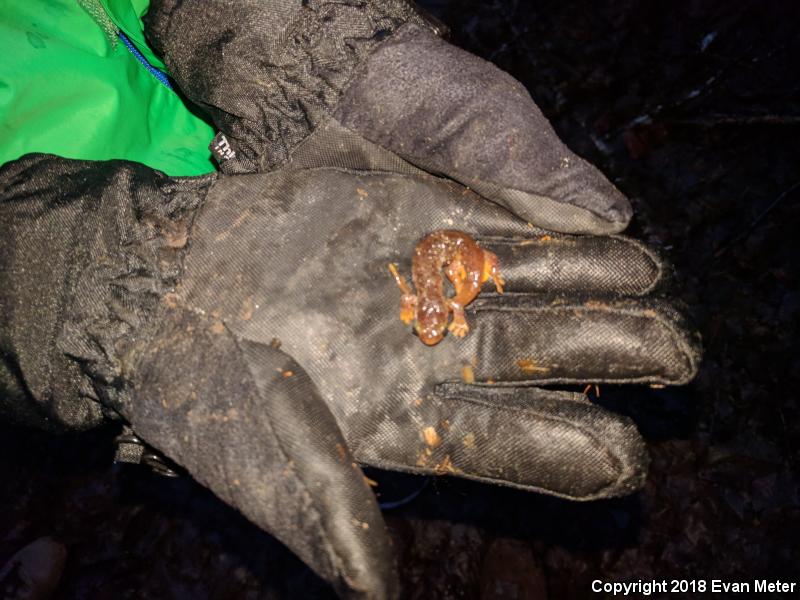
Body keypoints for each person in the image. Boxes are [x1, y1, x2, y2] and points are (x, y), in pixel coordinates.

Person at [0, 1, 700, 598]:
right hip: (139, 248)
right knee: (246, 401)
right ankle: (369, 453)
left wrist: (293, 43)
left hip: (240, 129)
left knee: (383, 363)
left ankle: (381, 444)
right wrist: (60, 271)